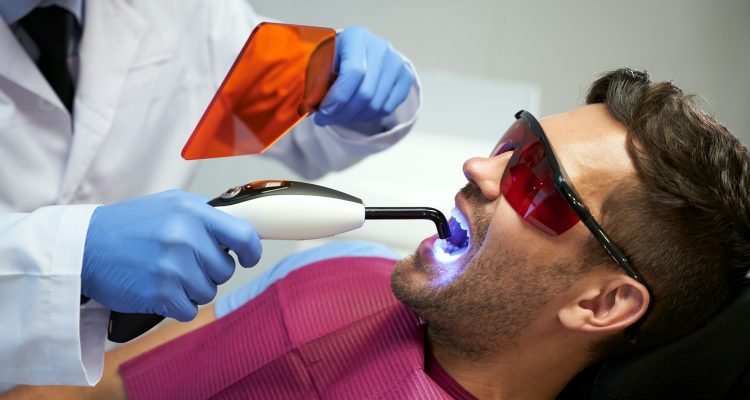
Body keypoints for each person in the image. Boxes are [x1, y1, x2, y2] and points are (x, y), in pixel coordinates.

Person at [3, 68, 748, 399]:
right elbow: (92, 390)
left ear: (603, 304)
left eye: (536, 183)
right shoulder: (351, 264)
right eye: (513, 143)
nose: (481, 167)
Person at [0, 0, 421, 389]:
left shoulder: (181, 9)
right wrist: (73, 256)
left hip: (104, 364)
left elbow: (286, 112)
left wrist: (347, 87)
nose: (476, 170)